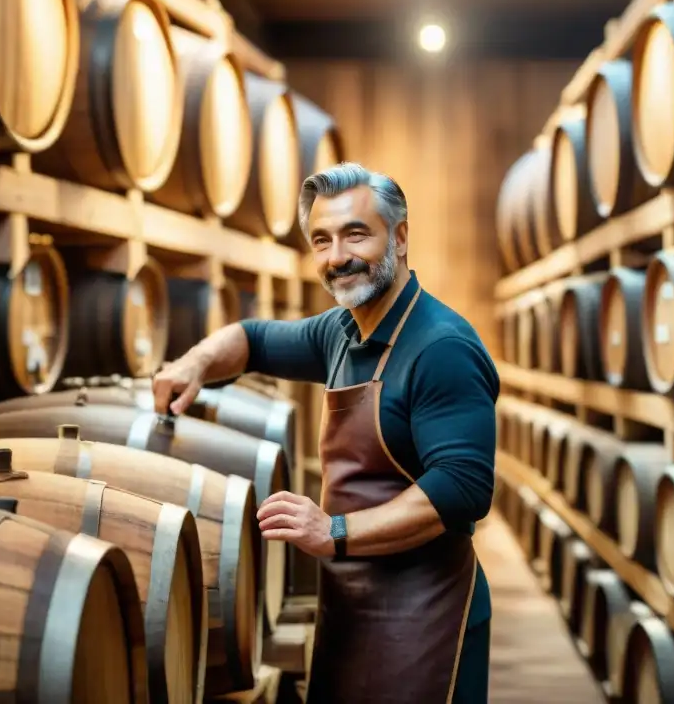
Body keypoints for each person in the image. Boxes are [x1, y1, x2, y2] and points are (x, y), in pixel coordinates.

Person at [152, 162, 499, 703]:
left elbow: (461, 490)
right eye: (322, 240)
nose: (337, 257)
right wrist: (195, 363)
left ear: (400, 238)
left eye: (355, 234)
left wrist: (334, 532)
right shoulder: (341, 331)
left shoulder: (441, 347)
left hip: (425, 614)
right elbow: (254, 339)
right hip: (350, 605)